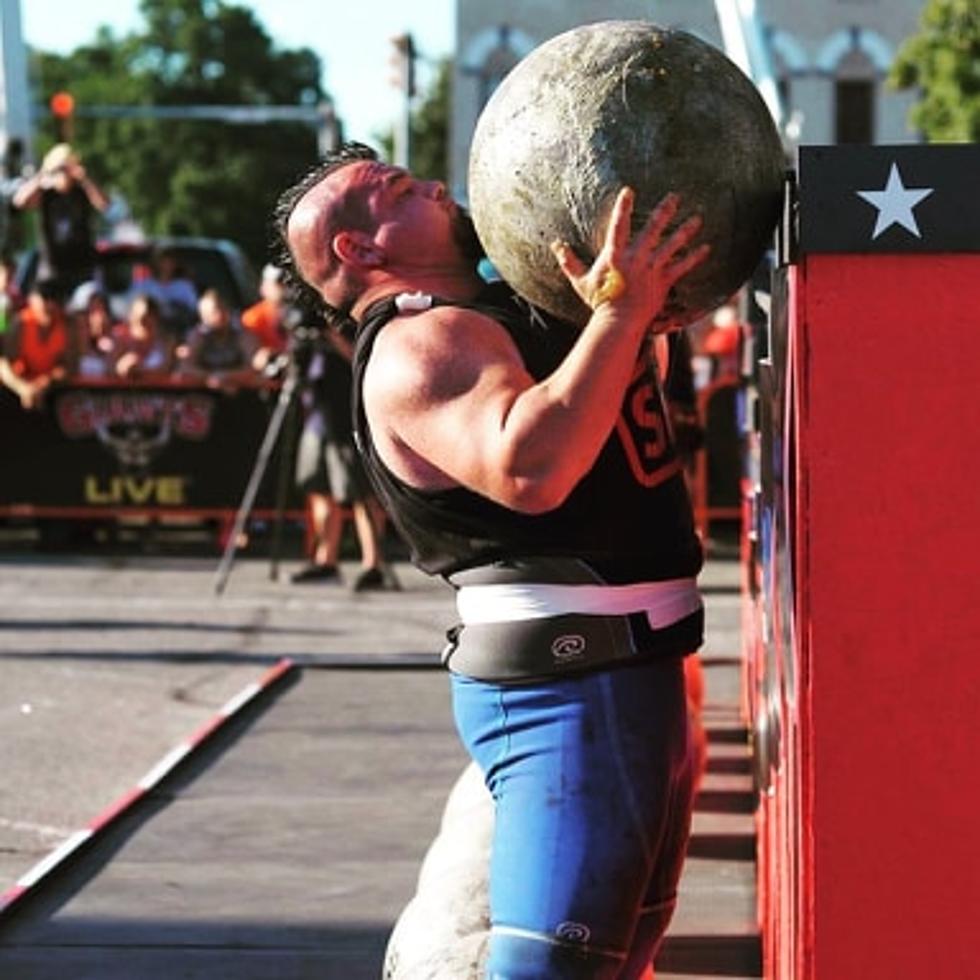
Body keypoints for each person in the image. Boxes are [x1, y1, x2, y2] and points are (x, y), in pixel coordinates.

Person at [275, 142, 710, 979]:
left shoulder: (503, 313)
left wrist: (622, 316)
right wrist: (617, 316)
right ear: (359, 250)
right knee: (553, 967)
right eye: (402, 190)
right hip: (570, 689)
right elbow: (530, 467)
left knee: (628, 954)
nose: (437, 186)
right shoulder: (416, 344)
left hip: (635, 672)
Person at [290, 319, 392, 591]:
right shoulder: (306, 327)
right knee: (319, 488)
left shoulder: (348, 319)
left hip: (346, 414)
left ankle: (372, 563)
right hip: (316, 418)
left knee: (361, 493)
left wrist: (332, 336)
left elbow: (362, 361)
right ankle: (326, 560)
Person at [12, 143, 109, 298]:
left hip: (81, 268)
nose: (64, 174)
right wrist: (43, 174)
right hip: (52, 271)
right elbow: (19, 202)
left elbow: (104, 204)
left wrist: (84, 178)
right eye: (60, 169)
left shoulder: (82, 192)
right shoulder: (46, 194)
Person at [0, 279, 70, 409]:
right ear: (32, 301)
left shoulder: (67, 325)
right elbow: (3, 365)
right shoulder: (20, 324)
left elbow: (68, 366)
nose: (49, 305)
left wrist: (43, 384)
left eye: (53, 300)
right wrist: (23, 389)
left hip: (51, 396)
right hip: (13, 395)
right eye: (44, 299)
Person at [175, 288, 258, 389]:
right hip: (203, 391)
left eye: (221, 310)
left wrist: (225, 377)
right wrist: (210, 378)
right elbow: (185, 368)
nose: (218, 316)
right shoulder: (197, 336)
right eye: (210, 313)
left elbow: (253, 367)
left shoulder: (242, 334)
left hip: (242, 390)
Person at [242, 263, 291, 371]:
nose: (284, 287)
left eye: (287, 283)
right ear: (264, 287)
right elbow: (253, 359)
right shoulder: (252, 318)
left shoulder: (301, 313)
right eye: (278, 283)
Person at [113, 294, 174, 381]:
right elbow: (111, 369)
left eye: (148, 316)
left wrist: (140, 372)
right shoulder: (120, 338)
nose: (143, 322)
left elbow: (167, 370)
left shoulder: (167, 341)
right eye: (138, 317)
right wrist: (122, 367)